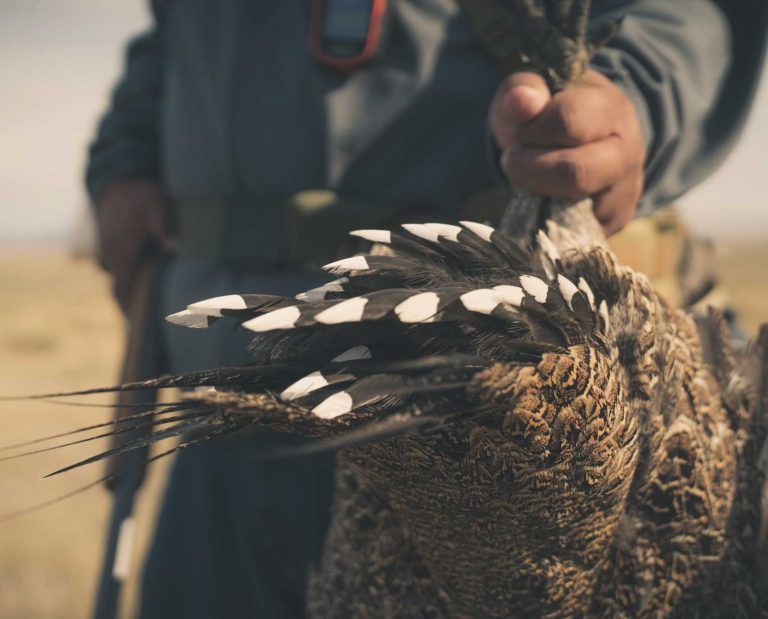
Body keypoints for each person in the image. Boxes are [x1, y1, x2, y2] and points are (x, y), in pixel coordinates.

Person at [86, 1, 767, 617]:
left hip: (485, 455)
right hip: (221, 424)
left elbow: (701, 17)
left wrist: (633, 97)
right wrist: (126, 158)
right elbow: (172, 37)